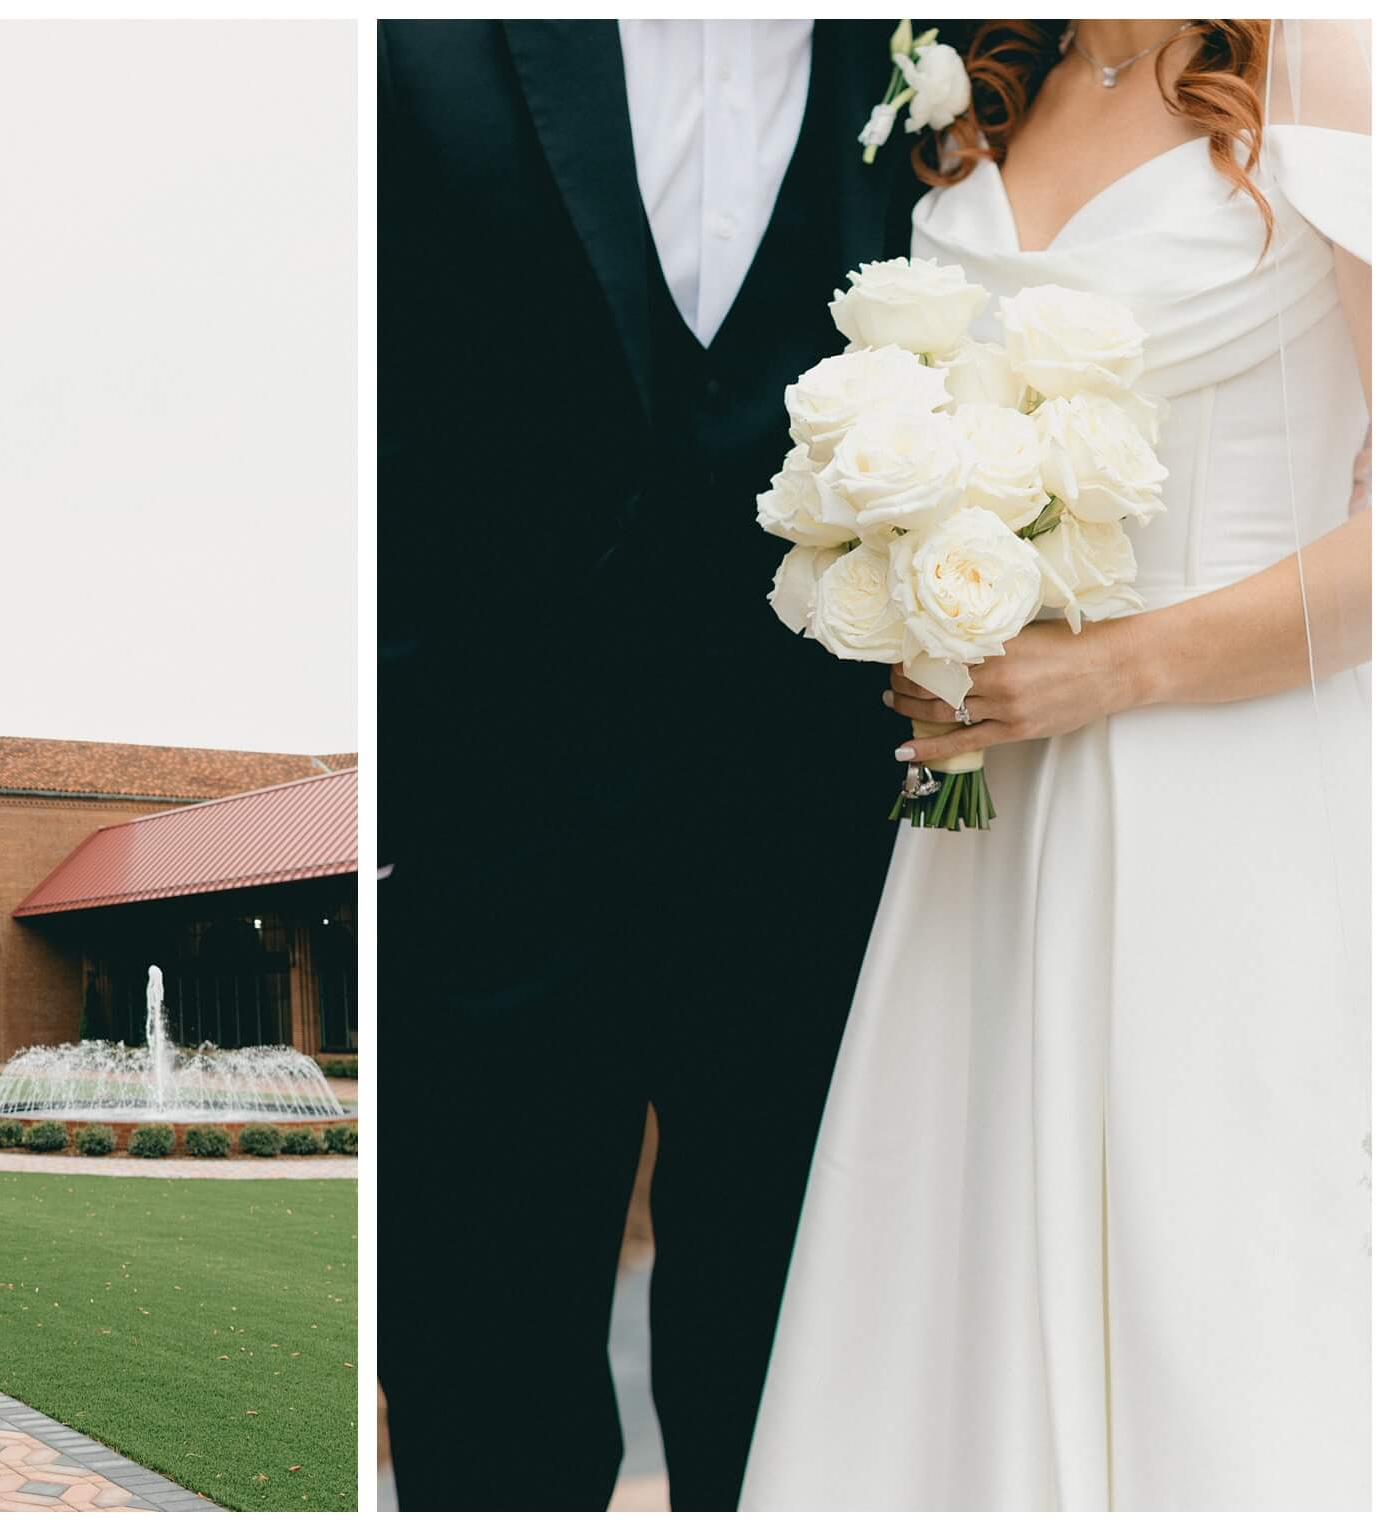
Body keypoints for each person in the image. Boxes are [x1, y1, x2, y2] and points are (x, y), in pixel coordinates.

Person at [741, 20, 1370, 1509]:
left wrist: (1108, 668)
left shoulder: (1328, 59)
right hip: (985, 819)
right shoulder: (971, 81)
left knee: (1207, 1292)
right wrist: (915, 594)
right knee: (946, 1277)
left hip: (1236, 796)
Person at [376, 19, 948, 1510]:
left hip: (826, 825)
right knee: (483, 1357)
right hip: (490, 814)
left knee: (794, 1351)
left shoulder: (953, 47)